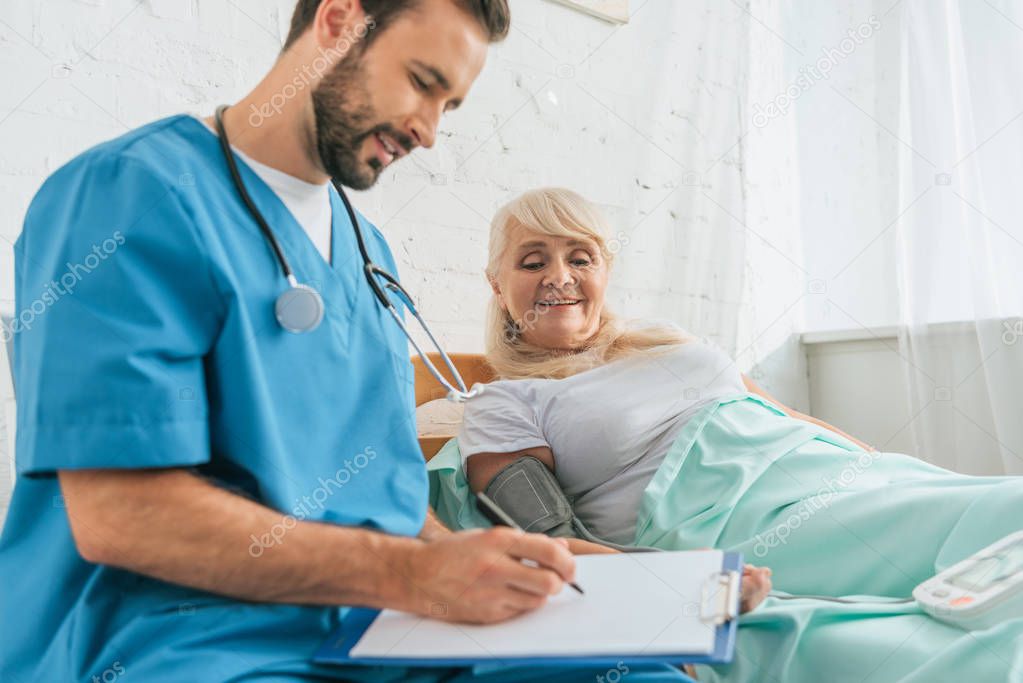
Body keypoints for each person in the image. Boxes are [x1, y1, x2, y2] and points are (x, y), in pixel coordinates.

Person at [0, 4, 703, 682]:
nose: (428, 131)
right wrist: (411, 574)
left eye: (449, 106)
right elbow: (120, 516)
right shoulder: (128, 193)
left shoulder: (370, 254)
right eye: (423, 83)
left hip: (371, 624)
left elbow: (381, 499)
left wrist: (525, 565)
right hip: (175, 634)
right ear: (337, 23)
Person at [437, 186, 1023, 682]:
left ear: (604, 271)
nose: (559, 278)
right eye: (533, 261)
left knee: (1003, 511)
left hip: (835, 476)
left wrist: (878, 465)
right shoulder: (505, 404)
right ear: (496, 282)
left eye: (581, 258)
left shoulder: (663, 338)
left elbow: (779, 413)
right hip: (740, 515)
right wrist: (687, 585)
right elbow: (548, 539)